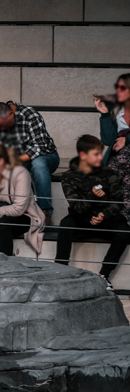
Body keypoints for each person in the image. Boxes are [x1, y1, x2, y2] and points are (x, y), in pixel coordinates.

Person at [56, 134, 129, 280]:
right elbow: (77, 207)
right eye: (95, 154)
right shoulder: (69, 176)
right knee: (65, 224)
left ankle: (104, 274)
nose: (99, 158)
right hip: (82, 218)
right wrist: (93, 195)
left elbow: (118, 201)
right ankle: (60, 271)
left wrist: (104, 214)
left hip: (104, 219)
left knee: (124, 231)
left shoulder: (108, 173)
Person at [0, 101, 60, 217]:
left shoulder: (30, 115)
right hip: (17, 158)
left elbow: (39, 147)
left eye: (4, 125)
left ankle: (45, 211)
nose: (1, 129)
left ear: (11, 114)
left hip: (46, 155)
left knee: (38, 165)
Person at [94, 74, 130, 213]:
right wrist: (104, 114)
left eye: (122, 87)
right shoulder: (115, 109)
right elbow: (108, 140)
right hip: (120, 156)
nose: (118, 90)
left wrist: (126, 140)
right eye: (117, 87)